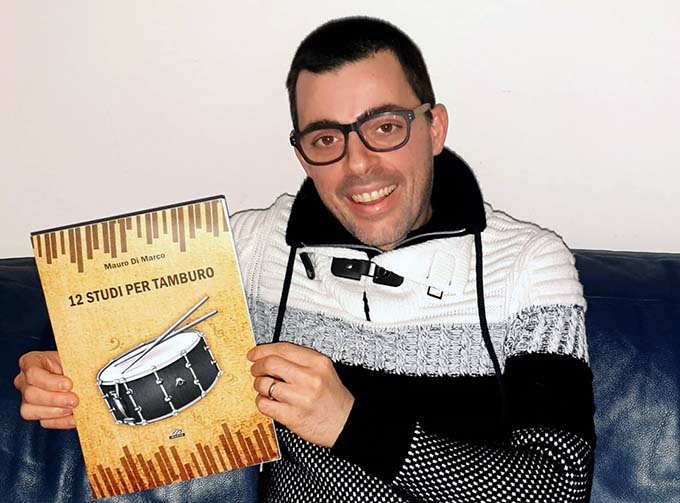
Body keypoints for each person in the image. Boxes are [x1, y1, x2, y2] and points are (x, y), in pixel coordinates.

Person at [15, 16, 595, 503]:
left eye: (385, 127)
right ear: (302, 154)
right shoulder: (248, 248)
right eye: (325, 139)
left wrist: (349, 424)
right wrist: (62, 374)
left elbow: (560, 485)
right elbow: (107, 330)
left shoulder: (529, 266)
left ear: (435, 128)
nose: (358, 165)